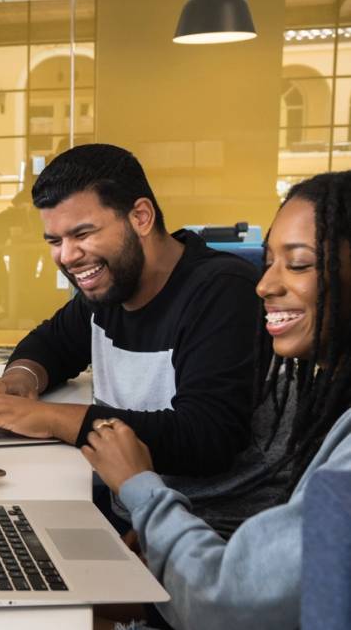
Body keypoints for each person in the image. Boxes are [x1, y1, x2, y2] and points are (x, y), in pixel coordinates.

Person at [0, 143, 267, 536]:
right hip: (134, 509)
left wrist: (50, 419)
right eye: (54, 241)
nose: (66, 256)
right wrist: (19, 383)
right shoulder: (112, 288)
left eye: (82, 233)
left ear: (141, 217)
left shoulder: (221, 290)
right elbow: (51, 343)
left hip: (214, 532)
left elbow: (207, 435)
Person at [83, 172, 351, 629]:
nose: (265, 285)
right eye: (269, 262)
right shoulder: (325, 400)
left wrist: (143, 491)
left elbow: (227, 604)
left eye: (300, 264)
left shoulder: (216, 287)